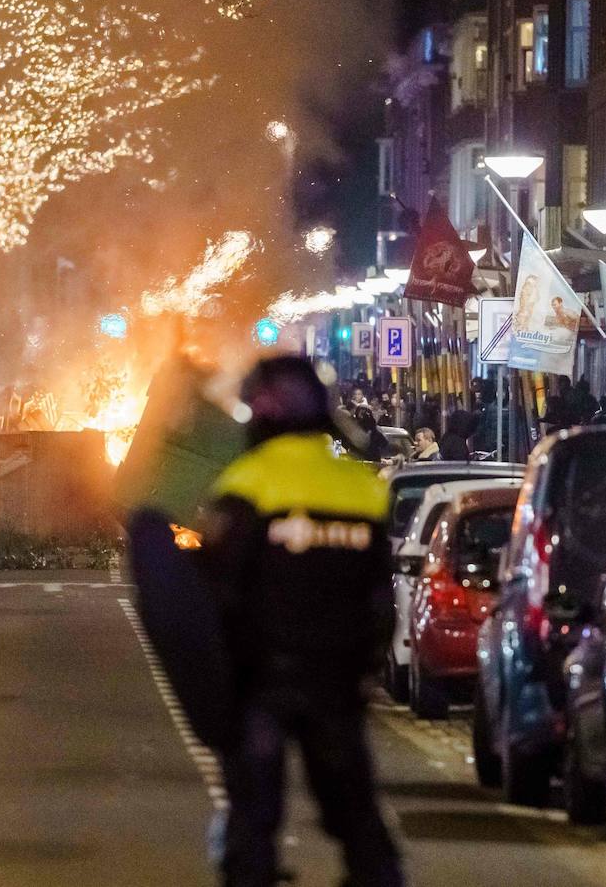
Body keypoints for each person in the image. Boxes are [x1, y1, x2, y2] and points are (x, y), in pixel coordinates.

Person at [200, 357, 405, 887]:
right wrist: (364, 672)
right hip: (337, 684)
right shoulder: (364, 490)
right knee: (359, 819)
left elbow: (219, 593)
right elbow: (382, 599)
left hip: (261, 683)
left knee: (252, 819)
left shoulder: (245, 484)